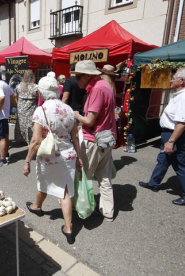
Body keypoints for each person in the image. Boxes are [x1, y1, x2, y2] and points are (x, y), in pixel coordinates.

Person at [23, 76, 82, 245]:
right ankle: (68, 229)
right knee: (64, 191)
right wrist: (78, 158)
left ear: (41, 92)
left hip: (50, 156)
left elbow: (35, 140)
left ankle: (37, 207)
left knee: (44, 182)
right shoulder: (69, 109)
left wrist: (27, 160)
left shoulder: (40, 110)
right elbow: (75, 137)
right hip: (68, 154)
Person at [139, 68, 185, 206]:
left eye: (174, 77)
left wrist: (171, 141)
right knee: (163, 159)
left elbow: (182, 123)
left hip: (176, 134)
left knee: (179, 163)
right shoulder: (179, 94)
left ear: (182, 80)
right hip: (170, 133)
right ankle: (153, 183)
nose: (171, 80)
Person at [73, 60, 117, 222]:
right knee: (104, 178)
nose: (76, 80)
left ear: (88, 76)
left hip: (94, 140)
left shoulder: (97, 90)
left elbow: (90, 120)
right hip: (107, 138)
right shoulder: (106, 86)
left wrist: (77, 116)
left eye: (78, 76)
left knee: (83, 175)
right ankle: (108, 212)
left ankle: (81, 208)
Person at [15, 69, 39, 145]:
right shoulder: (35, 87)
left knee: (22, 125)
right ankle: (31, 141)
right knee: (31, 126)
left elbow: (16, 96)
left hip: (21, 109)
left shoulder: (19, 86)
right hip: (31, 110)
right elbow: (39, 98)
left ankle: (23, 139)